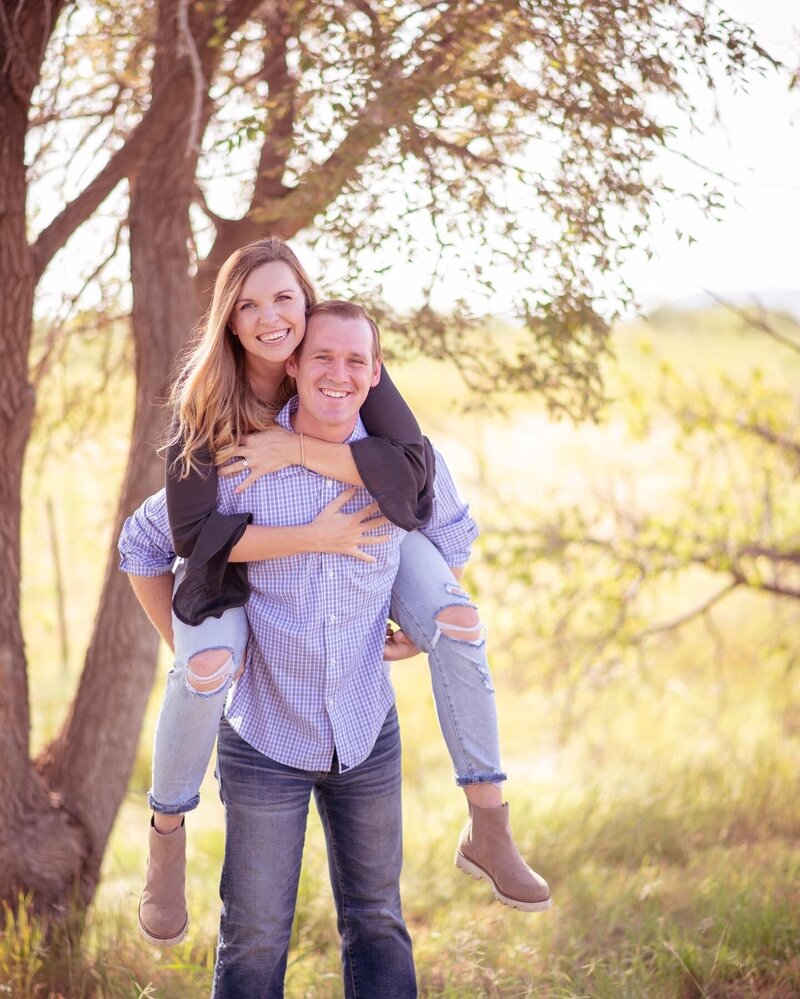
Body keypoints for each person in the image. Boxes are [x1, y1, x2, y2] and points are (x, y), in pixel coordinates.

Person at [120, 238, 550, 950]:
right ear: (229, 320)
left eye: (285, 298)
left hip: (369, 619)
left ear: (309, 305)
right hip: (234, 595)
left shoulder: (344, 362)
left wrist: (420, 614)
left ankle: (490, 820)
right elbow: (168, 536)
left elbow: (418, 477)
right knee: (203, 674)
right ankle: (166, 831)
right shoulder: (212, 412)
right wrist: (196, 656)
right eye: (249, 304)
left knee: (459, 619)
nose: (269, 317)